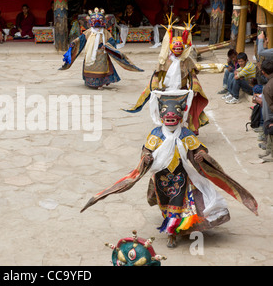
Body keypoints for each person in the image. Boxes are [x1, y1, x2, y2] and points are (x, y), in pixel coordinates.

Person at [81, 90, 258, 248]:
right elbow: (146, 150)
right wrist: (146, 157)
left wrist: (200, 155)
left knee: (176, 204)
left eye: (174, 116)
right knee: (165, 205)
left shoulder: (185, 134)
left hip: (180, 176)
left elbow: (199, 148)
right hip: (160, 176)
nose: (171, 118)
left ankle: (171, 234)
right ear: (162, 116)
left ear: (180, 117)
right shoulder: (156, 134)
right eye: (167, 116)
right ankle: (172, 224)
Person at [126, 13, 209, 135]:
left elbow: (192, 76)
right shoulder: (164, 61)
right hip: (166, 92)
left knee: (187, 110)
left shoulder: (187, 61)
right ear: (170, 47)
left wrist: (194, 88)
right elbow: (156, 76)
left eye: (180, 48)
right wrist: (154, 87)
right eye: (175, 47)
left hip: (182, 91)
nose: (178, 49)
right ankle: (167, 132)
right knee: (167, 112)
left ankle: (189, 129)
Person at [59, 7, 143, 89]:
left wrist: (107, 46)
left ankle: (100, 83)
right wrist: (74, 43)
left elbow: (112, 43)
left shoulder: (105, 33)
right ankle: (89, 82)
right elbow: (80, 40)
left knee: (102, 70)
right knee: (90, 67)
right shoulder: (89, 32)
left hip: (102, 55)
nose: (97, 22)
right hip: (90, 54)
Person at [259, 60, 273, 162]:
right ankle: (269, 150)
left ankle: (271, 152)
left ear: (263, 72)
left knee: (269, 124)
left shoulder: (268, 88)